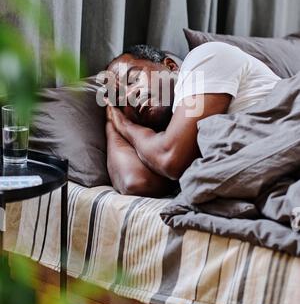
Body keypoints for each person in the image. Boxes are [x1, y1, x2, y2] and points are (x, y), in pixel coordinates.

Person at [103, 42, 281, 197]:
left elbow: (170, 159)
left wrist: (122, 123)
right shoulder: (167, 137)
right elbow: (136, 181)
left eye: (134, 79)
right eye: (120, 100)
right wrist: (112, 121)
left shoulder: (204, 58)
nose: (131, 95)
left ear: (171, 66)